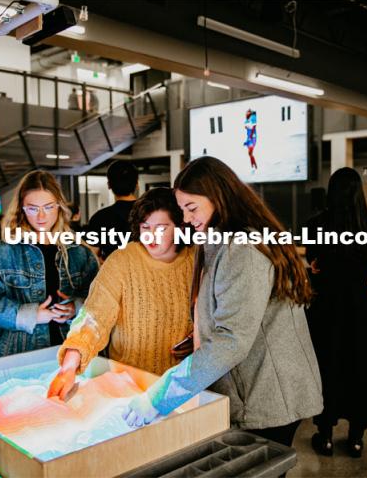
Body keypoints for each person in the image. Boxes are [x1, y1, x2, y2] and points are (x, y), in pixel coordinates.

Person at [121, 156, 323, 449]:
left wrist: (160, 396)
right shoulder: (219, 239)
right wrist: (201, 335)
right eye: (182, 210)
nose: (187, 219)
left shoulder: (241, 250)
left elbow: (232, 340)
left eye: (192, 208)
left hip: (266, 393)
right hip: (258, 386)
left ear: (219, 197)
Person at [48, 188, 194, 399]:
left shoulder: (196, 260)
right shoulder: (122, 261)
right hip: (128, 388)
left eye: (162, 228)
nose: (151, 236)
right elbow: (94, 317)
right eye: (145, 227)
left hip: (178, 389)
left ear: (180, 227)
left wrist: (197, 334)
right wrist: (69, 366)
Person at [0, 171, 99, 357]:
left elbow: (101, 298)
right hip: (20, 353)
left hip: (72, 352)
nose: (41, 216)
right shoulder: (2, 253)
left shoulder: (79, 252)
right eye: (32, 208)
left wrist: (76, 307)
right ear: (21, 209)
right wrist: (28, 315)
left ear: (59, 207)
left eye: (48, 207)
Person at [305, 167, 367, 458]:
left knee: (327, 368)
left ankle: (324, 436)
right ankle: (356, 439)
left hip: (325, 311)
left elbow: (315, 269)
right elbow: (363, 275)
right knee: (357, 369)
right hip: (358, 312)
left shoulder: (314, 226)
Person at [87, 160, 138, 261]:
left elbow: (91, 257)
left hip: (113, 273)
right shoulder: (150, 214)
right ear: (137, 184)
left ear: (109, 185)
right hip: (147, 273)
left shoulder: (99, 218)